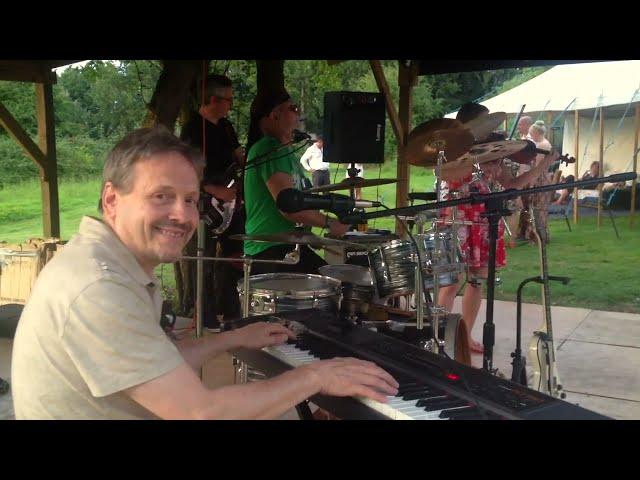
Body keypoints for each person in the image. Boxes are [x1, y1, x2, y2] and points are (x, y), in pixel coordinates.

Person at [10, 126, 398, 420]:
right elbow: (199, 412)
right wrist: (316, 377)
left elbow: (155, 359)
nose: (182, 215)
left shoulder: (108, 263)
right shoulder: (98, 286)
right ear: (112, 199)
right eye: (161, 196)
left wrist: (229, 339)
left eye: (191, 199)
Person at [437, 103, 559, 354]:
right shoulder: (451, 150)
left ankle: (465, 336)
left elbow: (512, 184)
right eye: (484, 122)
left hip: (485, 221)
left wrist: (542, 166)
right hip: (459, 220)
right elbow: (445, 175)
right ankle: (440, 337)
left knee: (477, 281)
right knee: (451, 282)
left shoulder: (492, 151)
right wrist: (475, 158)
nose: (490, 128)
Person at [243, 90, 351, 275]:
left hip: (284, 246)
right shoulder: (269, 149)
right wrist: (329, 223)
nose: (298, 114)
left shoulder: (286, 153)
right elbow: (289, 207)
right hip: (269, 250)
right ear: (275, 115)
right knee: (335, 286)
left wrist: (307, 235)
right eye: (293, 108)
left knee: (337, 283)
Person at [180, 74, 245, 329]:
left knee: (236, 255)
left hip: (230, 200)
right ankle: (205, 316)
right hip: (204, 202)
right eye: (227, 100)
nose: (230, 105)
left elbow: (236, 157)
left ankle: (231, 312)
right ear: (213, 99)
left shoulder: (227, 127)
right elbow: (184, 170)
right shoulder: (192, 129)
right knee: (203, 260)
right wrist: (214, 189)